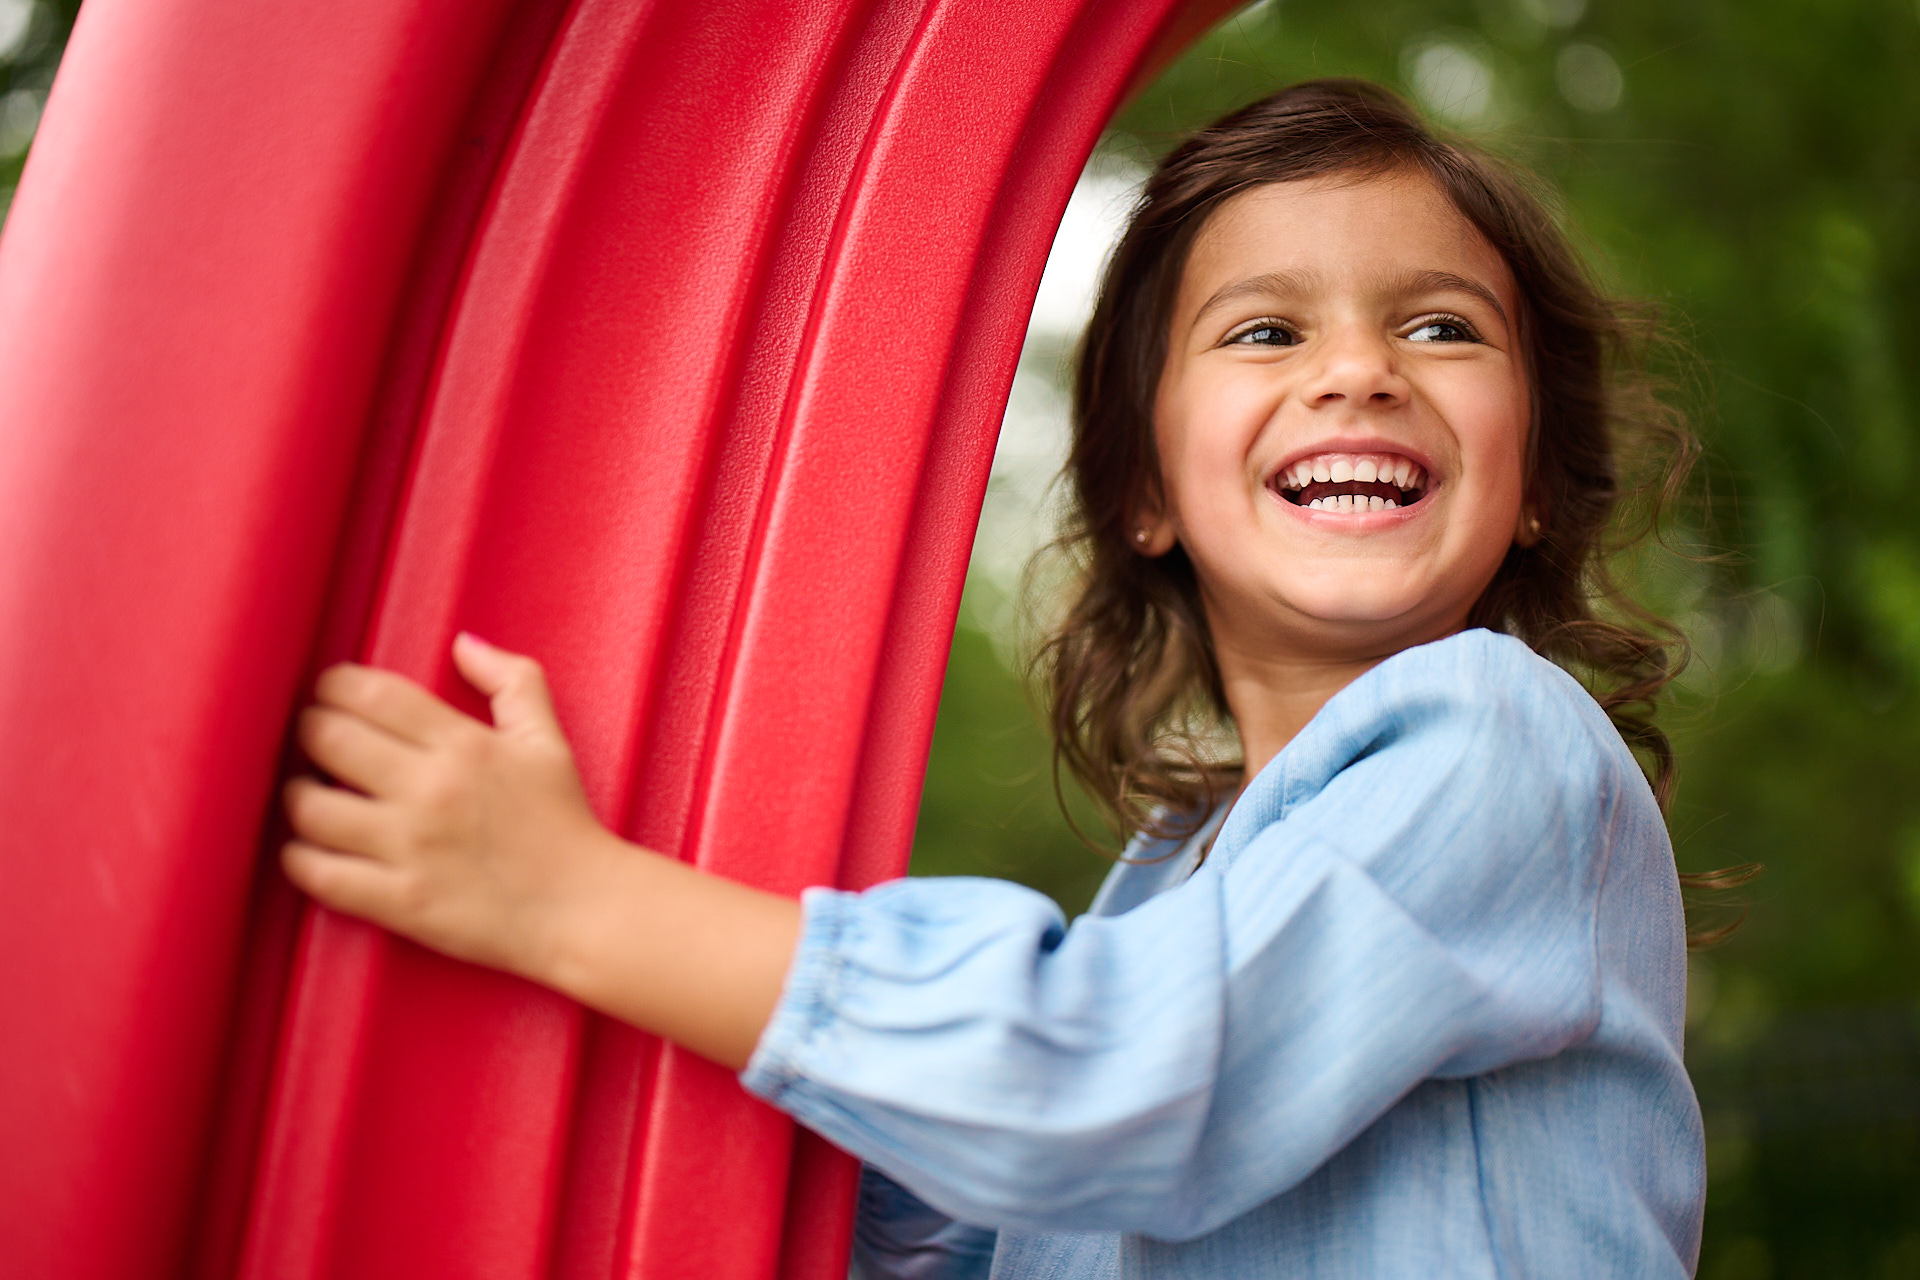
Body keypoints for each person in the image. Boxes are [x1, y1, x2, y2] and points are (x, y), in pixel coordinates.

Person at [281, 80, 1707, 1278]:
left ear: (1532, 481)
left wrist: (575, 900)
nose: (1360, 370)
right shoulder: (1176, 875)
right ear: (1146, 487)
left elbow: (1120, 1080)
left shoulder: (1499, 740)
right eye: (1267, 331)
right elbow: (1001, 1219)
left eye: (1441, 327)